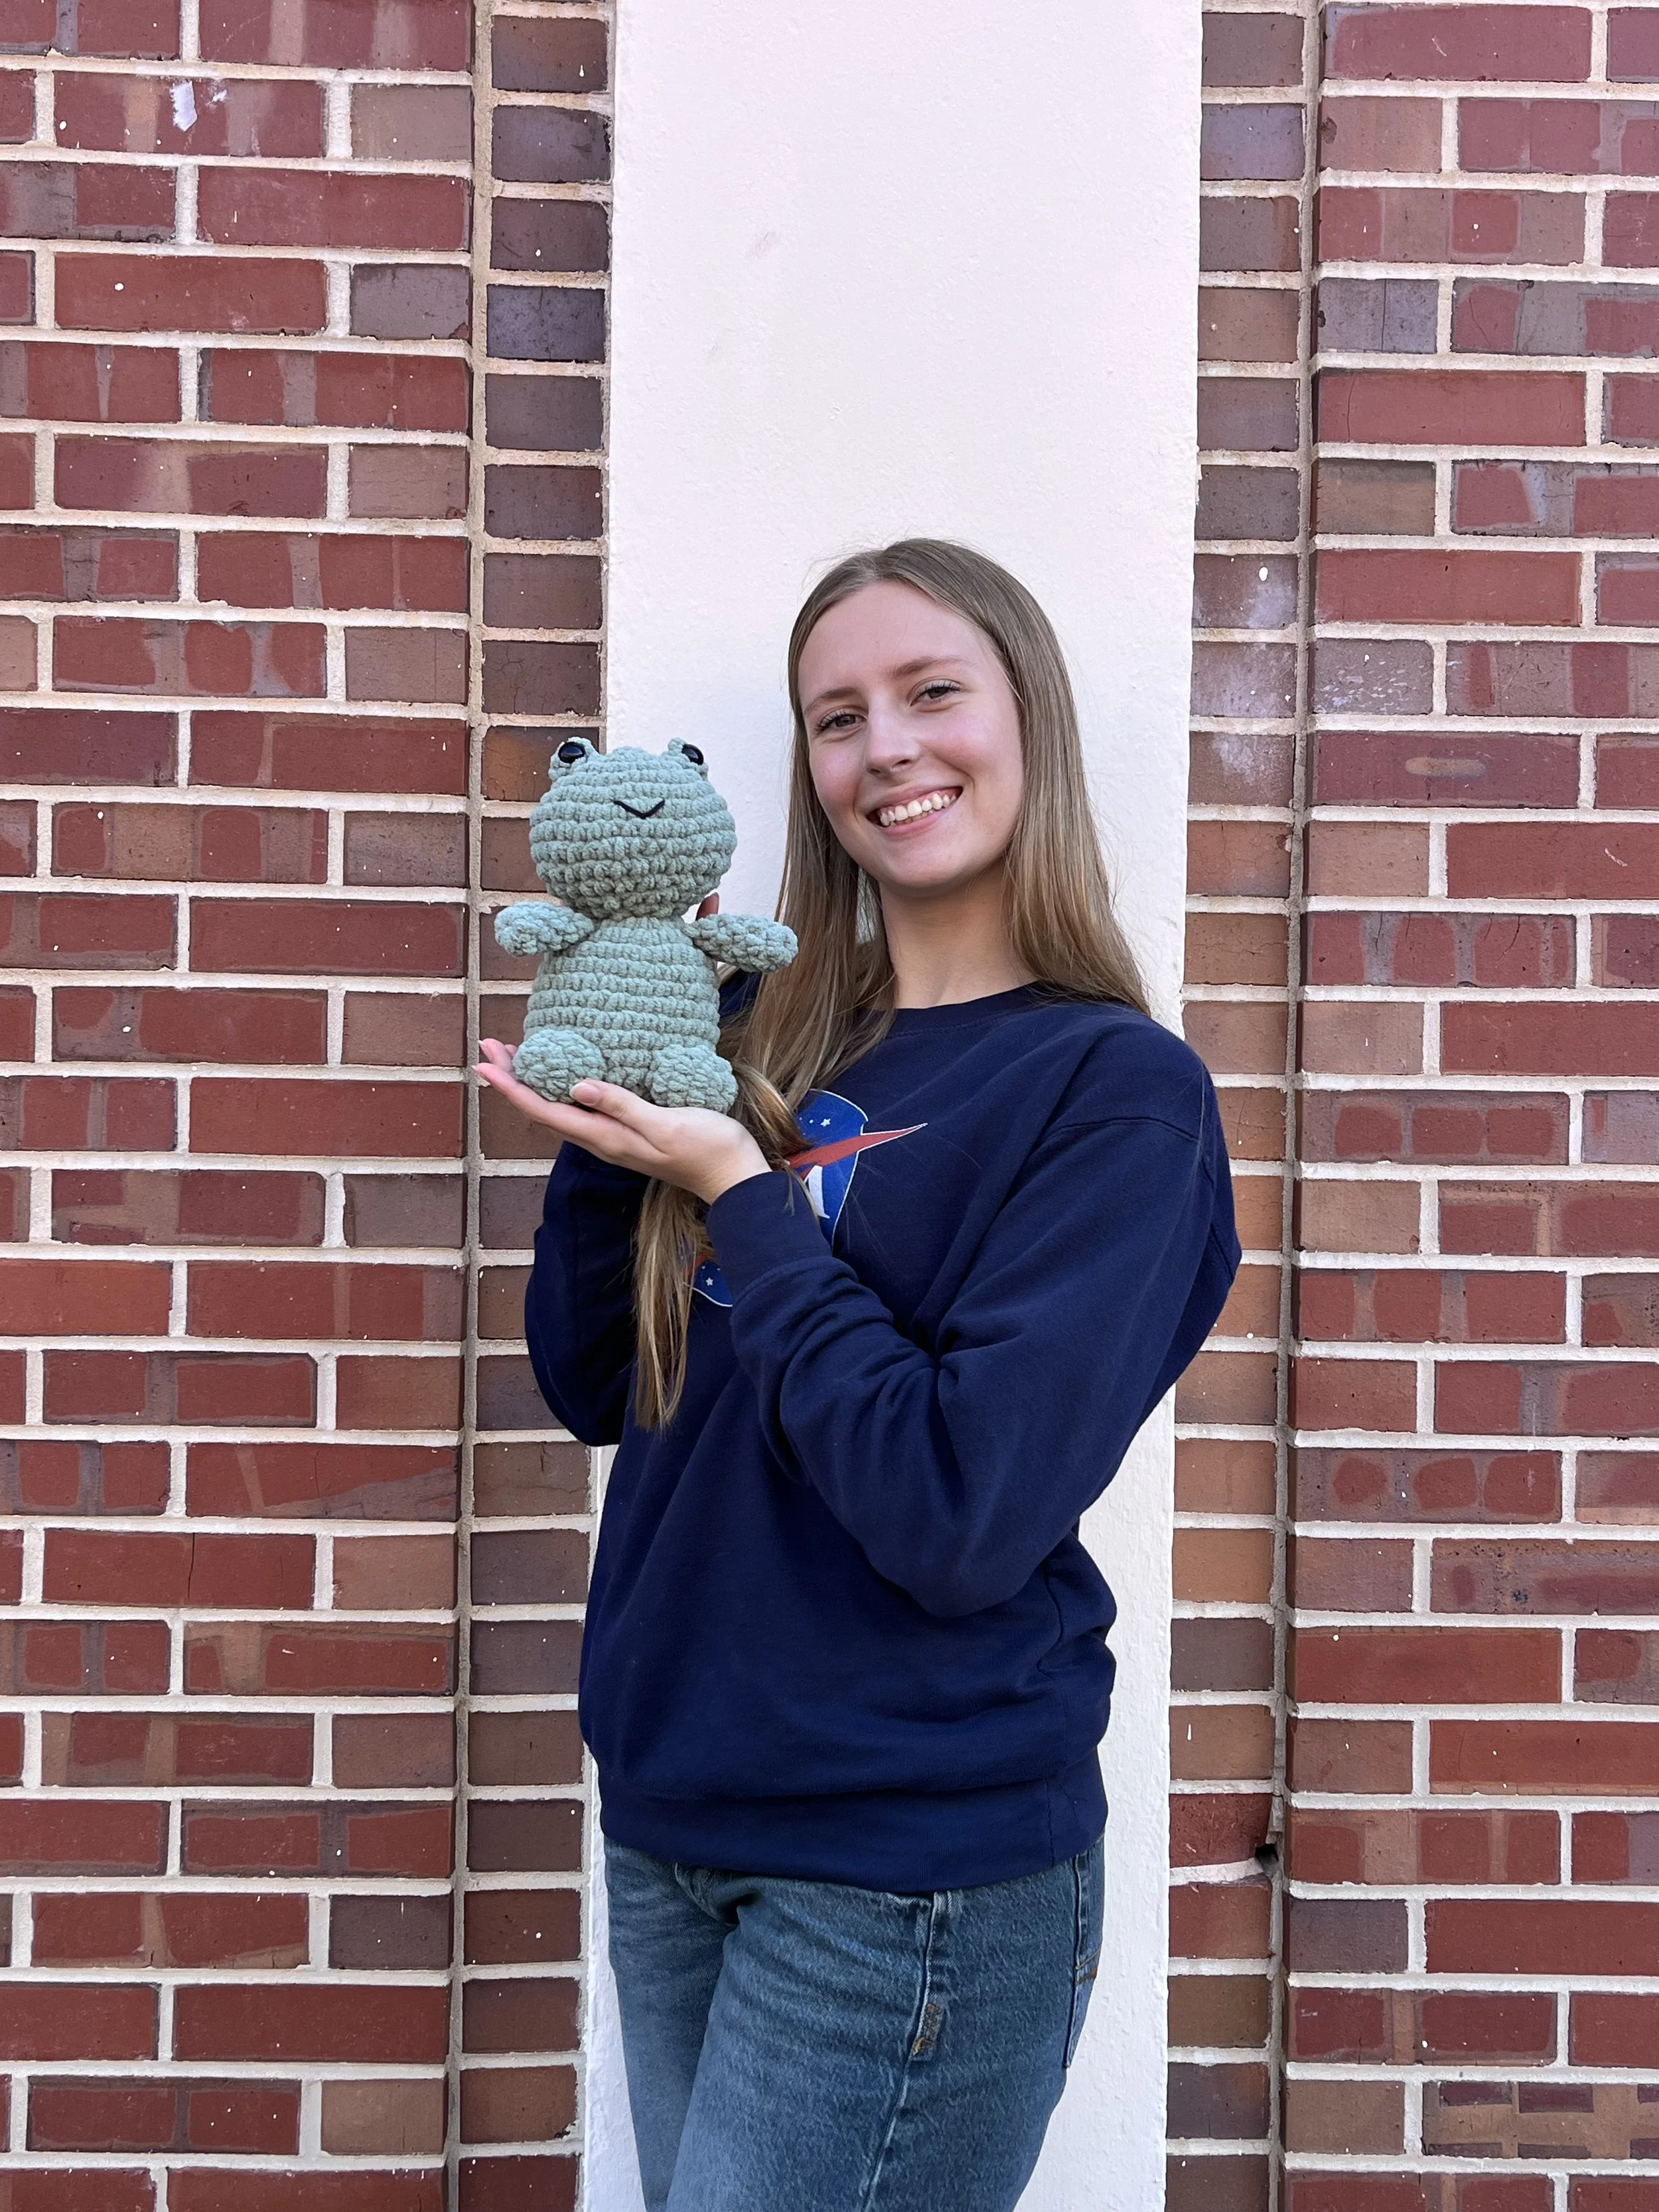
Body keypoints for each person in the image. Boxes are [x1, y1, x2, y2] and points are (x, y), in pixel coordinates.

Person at [474, 540, 1240, 2212]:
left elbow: (957, 1507)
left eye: (930, 692)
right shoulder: (770, 1040)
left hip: (904, 1872)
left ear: (1026, 719)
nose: (884, 747)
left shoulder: (1113, 1092)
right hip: (679, 1819)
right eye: (837, 717)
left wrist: (742, 1193)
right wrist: (628, 1126)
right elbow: (599, 1379)